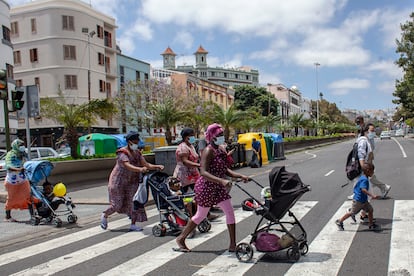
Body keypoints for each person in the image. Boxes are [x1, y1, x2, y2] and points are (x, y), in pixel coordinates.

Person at [174, 123, 250, 253]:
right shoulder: (208, 151)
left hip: (218, 187)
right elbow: (203, 172)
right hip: (206, 187)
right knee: (200, 215)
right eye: (219, 135)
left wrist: (241, 176)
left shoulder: (220, 150)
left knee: (229, 211)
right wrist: (221, 180)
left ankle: (233, 244)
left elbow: (225, 169)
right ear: (212, 137)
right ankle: (181, 238)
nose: (222, 137)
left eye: (222, 135)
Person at [101, 131, 164, 231]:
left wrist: (156, 166)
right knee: (117, 204)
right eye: (135, 141)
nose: (136, 143)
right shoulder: (122, 153)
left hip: (132, 181)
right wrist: (140, 169)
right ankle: (105, 215)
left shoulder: (137, 153)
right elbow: (127, 165)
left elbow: (146, 164)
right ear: (129, 142)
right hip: (119, 181)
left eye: (137, 141)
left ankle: (133, 224)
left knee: (134, 202)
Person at [348, 117, 391, 201]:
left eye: (358, 122)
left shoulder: (366, 134)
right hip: (365, 159)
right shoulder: (361, 132)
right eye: (356, 122)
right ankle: (382, 188)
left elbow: (369, 148)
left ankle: (364, 195)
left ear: (362, 122)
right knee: (366, 177)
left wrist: (367, 161)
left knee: (362, 177)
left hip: (365, 159)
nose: (357, 124)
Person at [336, 162, 380, 231]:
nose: (373, 172)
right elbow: (363, 189)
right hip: (358, 201)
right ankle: (340, 221)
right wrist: (372, 195)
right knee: (352, 213)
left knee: (370, 210)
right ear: (368, 171)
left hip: (363, 200)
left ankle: (371, 225)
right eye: (372, 171)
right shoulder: (364, 180)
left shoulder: (363, 177)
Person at [3, 139, 32, 222]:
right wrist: (18, 169)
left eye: (23, 145)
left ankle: (33, 215)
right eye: (20, 145)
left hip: (23, 179)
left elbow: (28, 163)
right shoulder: (10, 154)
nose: (22, 147)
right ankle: (8, 216)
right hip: (12, 181)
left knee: (29, 196)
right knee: (11, 198)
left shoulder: (23, 154)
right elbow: (8, 166)